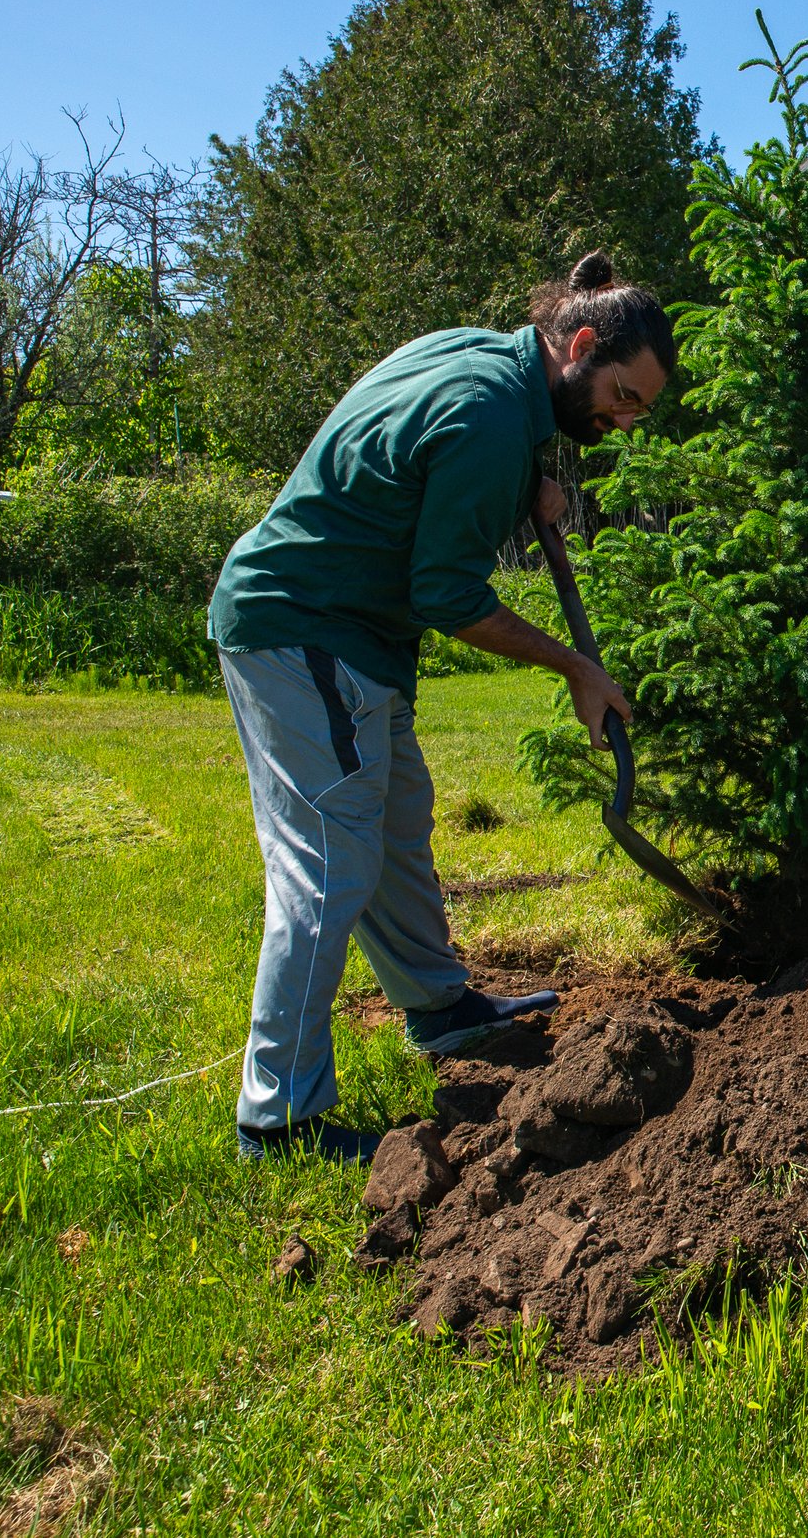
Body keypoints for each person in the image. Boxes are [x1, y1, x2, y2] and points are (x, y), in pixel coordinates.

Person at [206, 251, 673, 1162]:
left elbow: (433, 461)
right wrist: (574, 663)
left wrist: (526, 482)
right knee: (331, 859)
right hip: (307, 627)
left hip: (354, 635)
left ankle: (440, 1008)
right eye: (624, 395)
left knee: (394, 822)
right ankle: (279, 1118)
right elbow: (447, 595)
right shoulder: (493, 417)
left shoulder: (494, 365)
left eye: (637, 409)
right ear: (580, 344)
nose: (622, 421)